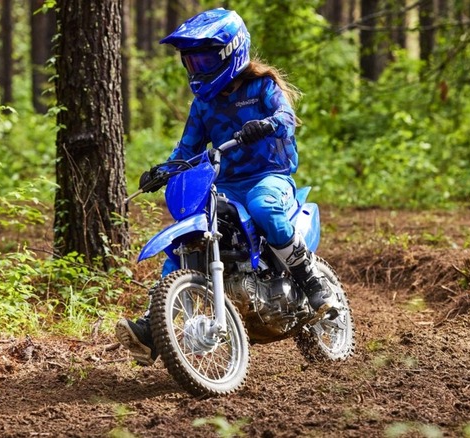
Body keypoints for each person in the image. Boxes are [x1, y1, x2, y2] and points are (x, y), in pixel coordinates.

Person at [116, 8, 336, 366]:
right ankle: (154, 326)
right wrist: (163, 171)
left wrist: (264, 125)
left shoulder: (262, 87)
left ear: (232, 51)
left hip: (269, 177)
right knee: (183, 242)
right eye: (191, 61)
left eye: (205, 59)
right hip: (226, 185)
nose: (197, 68)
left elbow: (286, 117)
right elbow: (187, 149)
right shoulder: (203, 104)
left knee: (265, 207)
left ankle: (310, 280)